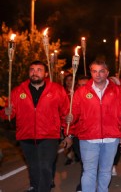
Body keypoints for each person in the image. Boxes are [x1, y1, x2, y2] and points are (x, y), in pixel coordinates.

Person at [1, 60, 71, 192]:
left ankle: (43, 189)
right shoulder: (18, 91)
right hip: (26, 135)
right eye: (32, 70)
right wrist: (6, 112)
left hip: (49, 135)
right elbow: (8, 113)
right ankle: (35, 185)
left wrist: (68, 134)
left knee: (45, 166)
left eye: (39, 70)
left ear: (45, 73)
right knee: (33, 166)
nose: (35, 72)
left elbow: (65, 113)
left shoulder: (56, 90)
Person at [66, 60, 121, 192]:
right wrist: (70, 118)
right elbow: (74, 112)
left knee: (105, 171)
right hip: (88, 138)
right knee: (89, 171)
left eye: (101, 71)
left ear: (107, 73)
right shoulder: (81, 92)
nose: (98, 74)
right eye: (94, 71)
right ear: (91, 72)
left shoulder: (117, 91)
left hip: (111, 138)